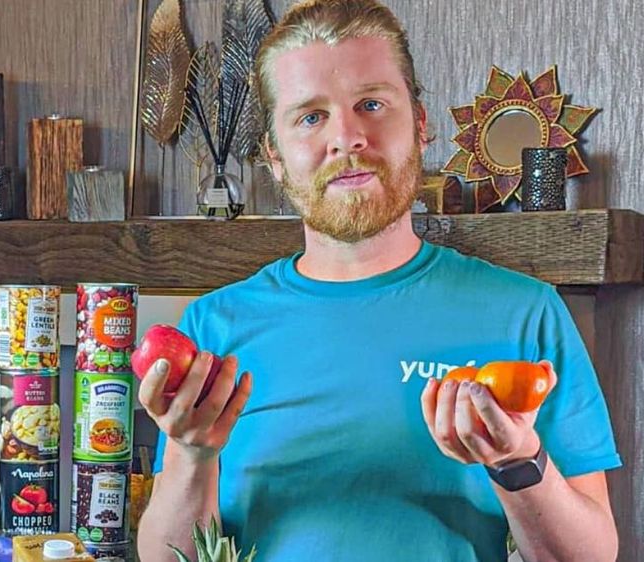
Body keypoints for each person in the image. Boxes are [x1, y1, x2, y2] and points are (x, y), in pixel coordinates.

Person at [136, 1, 621, 561]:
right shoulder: (212, 328)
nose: (347, 137)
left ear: (419, 123)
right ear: (273, 154)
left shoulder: (525, 314)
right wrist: (191, 454)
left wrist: (519, 462)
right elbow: (170, 558)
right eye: (310, 117)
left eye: (371, 104)